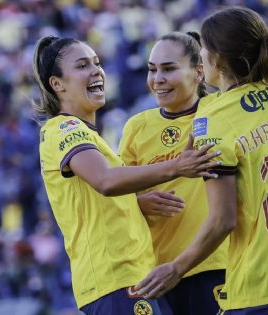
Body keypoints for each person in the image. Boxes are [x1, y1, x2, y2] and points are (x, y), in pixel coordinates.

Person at [136, 6, 268, 315]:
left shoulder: (212, 119)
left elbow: (223, 220)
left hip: (267, 289)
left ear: (217, 59)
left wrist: (176, 268)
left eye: (203, 50)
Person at [32, 36, 221, 315]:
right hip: (114, 280)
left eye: (97, 63)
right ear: (57, 84)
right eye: (83, 66)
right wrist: (176, 166)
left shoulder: (91, 136)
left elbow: (99, 199)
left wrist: (137, 203)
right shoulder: (64, 128)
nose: (96, 71)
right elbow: (106, 181)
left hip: (136, 277)